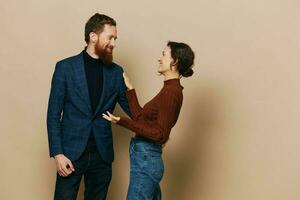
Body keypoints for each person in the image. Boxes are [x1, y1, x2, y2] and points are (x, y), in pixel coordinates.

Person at [47, 13, 130, 200]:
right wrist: (58, 154)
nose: (114, 43)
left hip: (102, 155)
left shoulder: (116, 72)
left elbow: (134, 111)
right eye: (110, 37)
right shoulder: (65, 68)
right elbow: (53, 114)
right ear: (93, 36)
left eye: (115, 38)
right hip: (70, 154)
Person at [102, 41, 195, 200]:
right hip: (145, 158)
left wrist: (123, 121)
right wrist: (131, 90)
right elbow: (140, 119)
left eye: (164, 54)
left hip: (147, 159)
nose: (159, 58)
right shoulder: (169, 88)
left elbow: (160, 135)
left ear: (175, 61)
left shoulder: (172, 92)